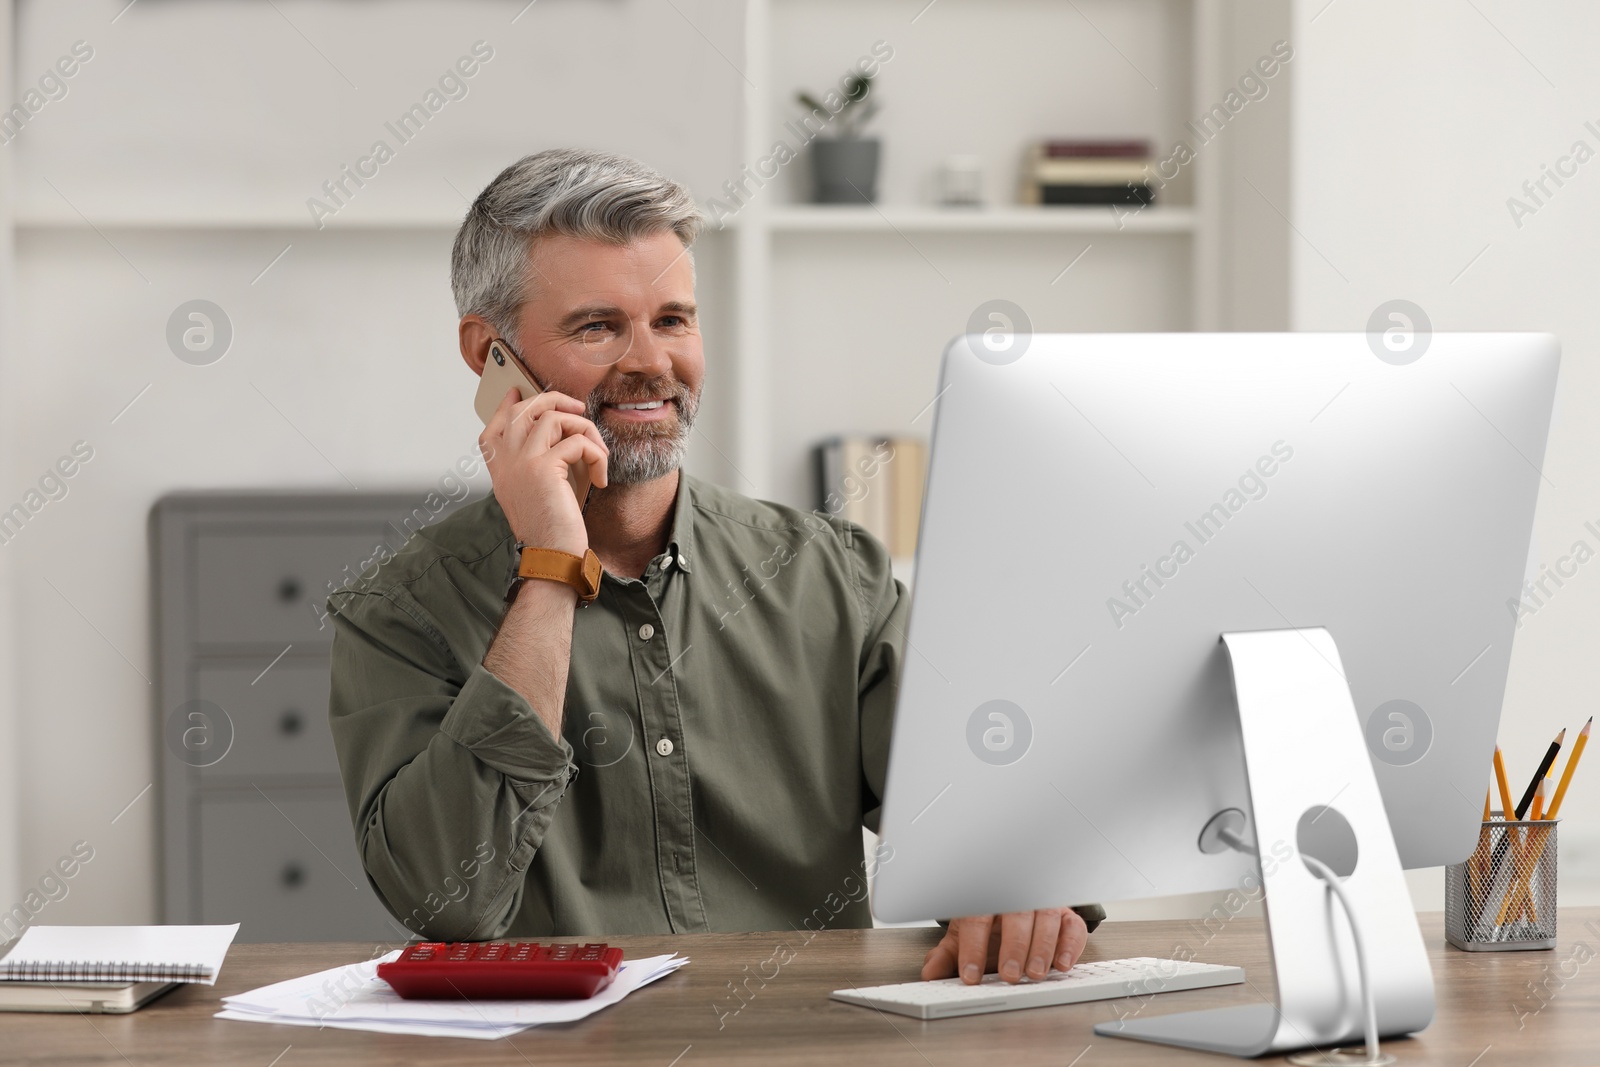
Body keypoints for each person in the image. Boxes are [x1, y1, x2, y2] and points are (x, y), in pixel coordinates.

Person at [327, 148, 1102, 985]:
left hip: (809, 1044)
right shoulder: (399, 610)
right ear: (491, 357)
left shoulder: (832, 576)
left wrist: (1017, 886)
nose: (651, 362)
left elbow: (988, 819)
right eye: (598, 327)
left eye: (673, 319)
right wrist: (551, 566)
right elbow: (450, 899)